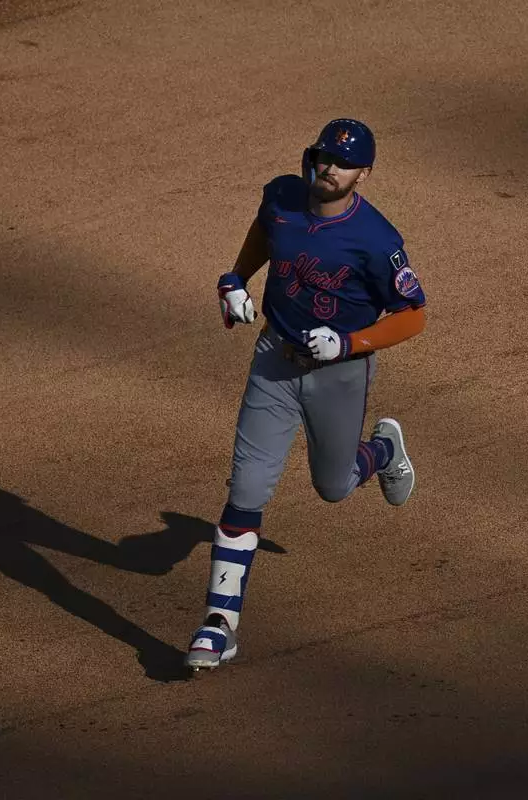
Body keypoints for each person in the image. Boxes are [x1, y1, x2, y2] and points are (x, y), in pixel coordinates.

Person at [185, 118, 427, 672]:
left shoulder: (377, 240)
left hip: (340, 374)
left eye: (344, 163)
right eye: (324, 156)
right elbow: (263, 233)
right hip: (274, 358)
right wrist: (234, 279)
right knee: (246, 488)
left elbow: (414, 315)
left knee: (333, 486)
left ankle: (384, 449)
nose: (330, 168)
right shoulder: (282, 197)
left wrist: (349, 342)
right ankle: (219, 624)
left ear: (363, 175)